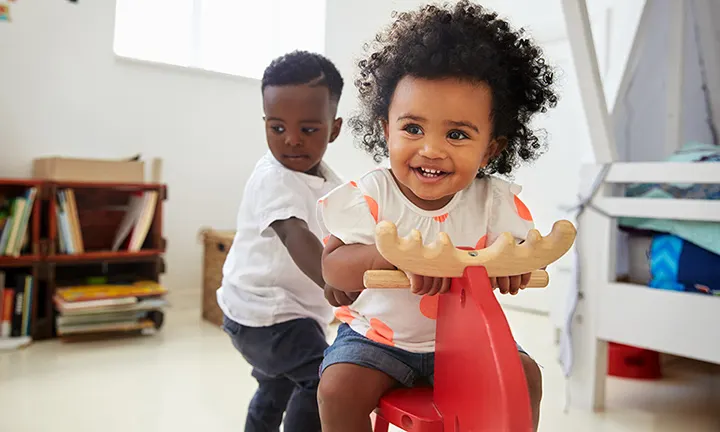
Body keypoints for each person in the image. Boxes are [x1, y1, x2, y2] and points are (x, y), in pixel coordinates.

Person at [316, 3, 559, 431]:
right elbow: (332, 266)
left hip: (467, 342)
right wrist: (393, 258)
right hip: (378, 341)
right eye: (413, 128)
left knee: (525, 378)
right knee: (338, 389)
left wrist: (515, 266)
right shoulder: (373, 195)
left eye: (457, 134)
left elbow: (519, 250)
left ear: (491, 149)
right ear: (385, 129)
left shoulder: (492, 201)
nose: (431, 149)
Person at [217, 50, 352, 432]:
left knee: (275, 385)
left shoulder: (331, 182)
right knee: (321, 379)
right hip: (263, 315)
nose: (291, 140)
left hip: (287, 314)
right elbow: (295, 234)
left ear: (334, 129)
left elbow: (350, 228)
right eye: (277, 128)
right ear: (265, 123)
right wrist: (333, 280)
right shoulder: (273, 178)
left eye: (308, 130)